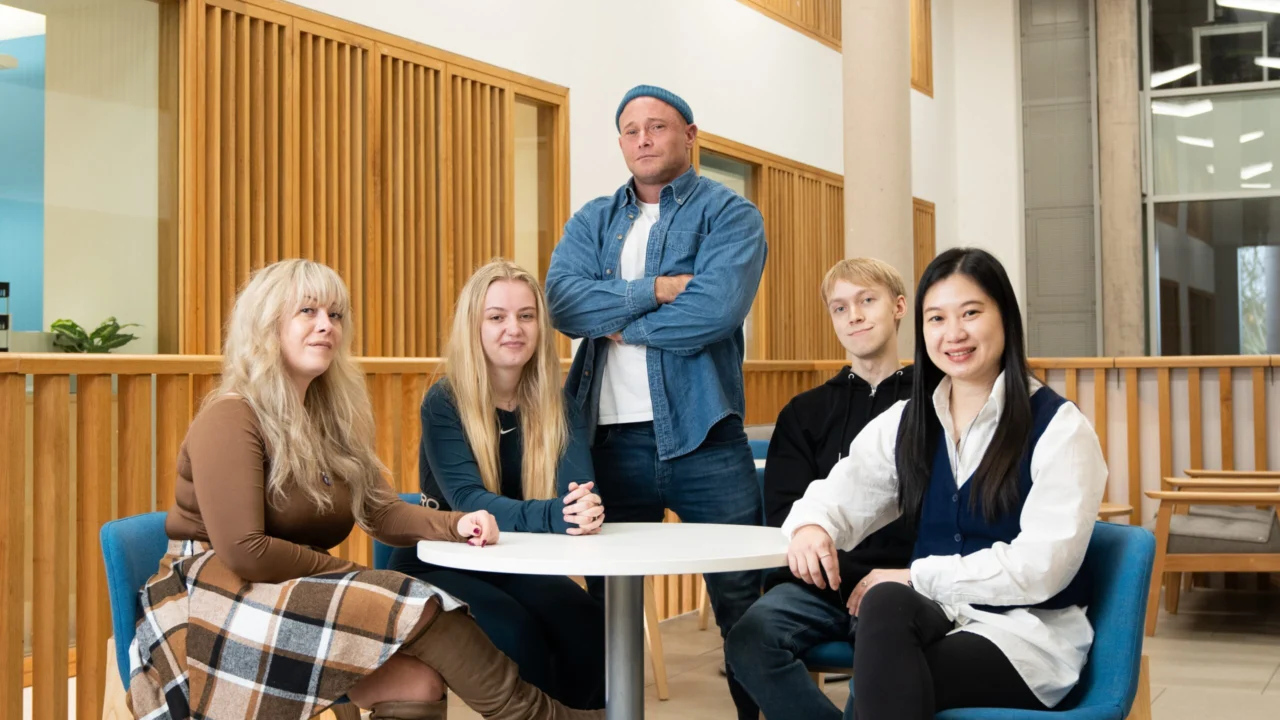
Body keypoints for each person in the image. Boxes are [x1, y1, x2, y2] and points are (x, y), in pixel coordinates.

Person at [129, 259, 602, 720]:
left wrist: (456, 524)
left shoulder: (329, 422)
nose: (326, 325)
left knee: (419, 682)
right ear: (266, 325)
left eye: (335, 315)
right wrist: (345, 573)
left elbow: (380, 512)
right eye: (307, 312)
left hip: (287, 588)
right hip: (214, 598)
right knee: (419, 602)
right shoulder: (231, 416)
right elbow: (245, 552)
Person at [781, 248, 1107, 719]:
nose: (953, 333)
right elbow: (845, 491)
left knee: (884, 679)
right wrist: (814, 525)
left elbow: (1042, 568)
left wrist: (918, 574)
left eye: (970, 313)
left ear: (1005, 318)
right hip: (939, 617)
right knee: (887, 607)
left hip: (1023, 637)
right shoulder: (909, 420)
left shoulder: (1059, 428)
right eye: (936, 318)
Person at [544, 84, 767, 715]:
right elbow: (563, 302)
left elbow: (714, 312)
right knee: (605, 607)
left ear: (689, 136)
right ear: (620, 143)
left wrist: (617, 322)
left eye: (658, 127)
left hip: (706, 437)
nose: (643, 138)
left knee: (742, 603)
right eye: (631, 129)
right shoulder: (592, 220)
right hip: (608, 442)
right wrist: (663, 288)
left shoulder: (730, 215)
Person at [388, 259, 606, 710]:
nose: (514, 328)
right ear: (475, 326)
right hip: (436, 559)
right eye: (497, 317)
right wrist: (558, 516)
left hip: (513, 559)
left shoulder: (559, 404)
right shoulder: (444, 400)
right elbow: (468, 501)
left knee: (586, 623)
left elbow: (577, 493)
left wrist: (581, 510)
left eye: (526, 316)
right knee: (516, 632)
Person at [724, 258, 917, 718]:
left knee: (893, 661)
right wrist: (836, 569)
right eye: (839, 307)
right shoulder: (803, 412)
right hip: (819, 585)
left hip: (905, 583)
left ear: (899, 307)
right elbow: (787, 512)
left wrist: (896, 577)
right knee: (747, 640)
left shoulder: (934, 403)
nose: (854, 315)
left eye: (867, 300)